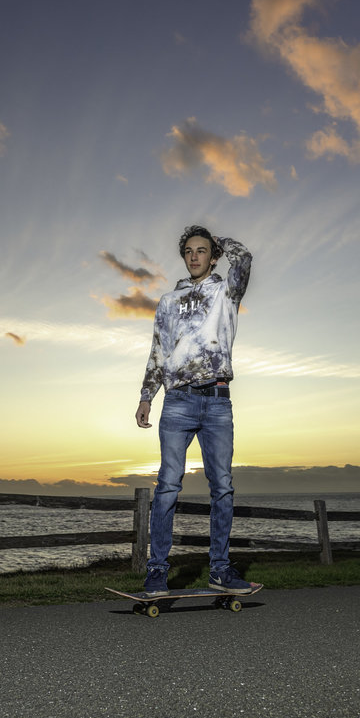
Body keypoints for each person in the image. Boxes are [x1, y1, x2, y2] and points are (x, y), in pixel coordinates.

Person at [134, 224, 254, 595]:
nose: (194, 256)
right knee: (168, 486)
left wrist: (221, 241)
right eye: (188, 251)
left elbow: (245, 258)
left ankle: (220, 569)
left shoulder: (226, 292)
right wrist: (146, 395)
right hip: (178, 402)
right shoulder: (169, 302)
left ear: (213, 254)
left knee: (222, 488)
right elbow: (158, 350)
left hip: (217, 402)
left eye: (202, 250)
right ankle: (157, 571)